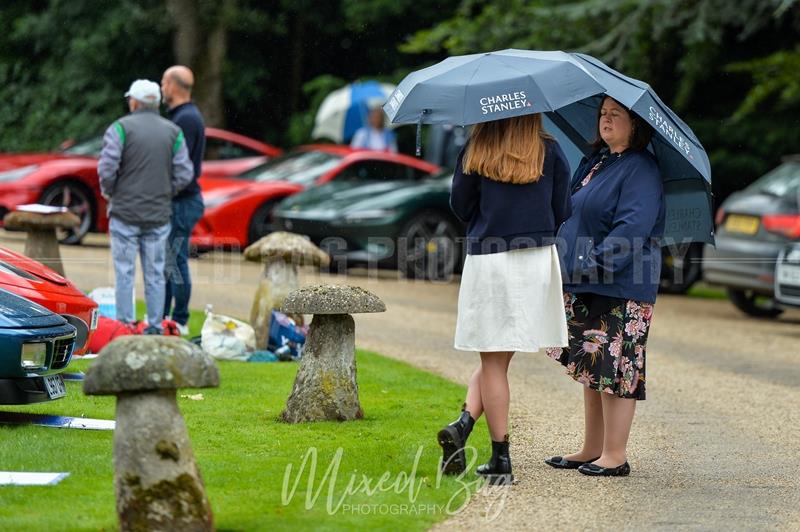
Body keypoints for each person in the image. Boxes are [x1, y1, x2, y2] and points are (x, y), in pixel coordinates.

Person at [438, 113, 572, 485]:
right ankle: (470, 431)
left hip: (490, 258)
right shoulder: (551, 151)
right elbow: (563, 209)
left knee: (494, 358)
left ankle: (497, 455)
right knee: (497, 357)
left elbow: (461, 206)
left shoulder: (476, 148)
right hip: (534, 259)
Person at [544, 96, 665, 477]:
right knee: (593, 364)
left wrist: (592, 266)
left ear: (636, 124)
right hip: (586, 277)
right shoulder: (595, 161)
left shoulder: (641, 168)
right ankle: (592, 448)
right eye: (602, 114)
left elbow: (631, 229)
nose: (606, 120)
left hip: (622, 282)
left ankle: (615, 454)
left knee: (618, 367)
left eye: (616, 115)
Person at [98, 79, 194, 335]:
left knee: (124, 272)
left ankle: (125, 325)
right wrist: (166, 191)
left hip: (124, 213)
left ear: (135, 102)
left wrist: (111, 192)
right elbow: (185, 174)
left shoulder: (120, 128)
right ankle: (154, 325)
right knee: (155, 274)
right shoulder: (173, 132)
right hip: (159, 215)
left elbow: (107, 168)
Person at [160, 65, 206, 335]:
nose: (162, 87)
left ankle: (179, 319)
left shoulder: (186, 119)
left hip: (182, 201)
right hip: (179, 201)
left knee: (174, 260)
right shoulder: (182, 116)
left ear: (175, 86)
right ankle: (164, 315)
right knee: (168, 260)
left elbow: (183, 167)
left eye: (165, 82)